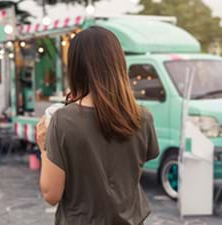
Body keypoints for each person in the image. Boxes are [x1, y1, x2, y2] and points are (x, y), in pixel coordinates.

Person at [36, 26, 159, 225]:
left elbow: (51, 194)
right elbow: (130, 172)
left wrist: (44, 147)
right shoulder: (142, 117)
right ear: (119, 63)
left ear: (75, 67)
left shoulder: (63, 120)